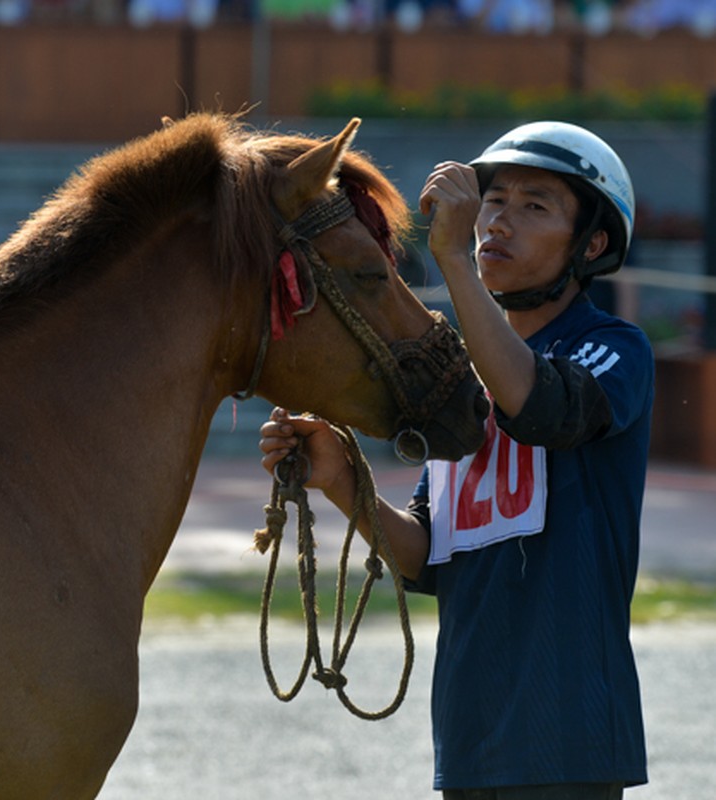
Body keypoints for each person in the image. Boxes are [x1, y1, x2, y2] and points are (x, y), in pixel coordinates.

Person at [260, 121, 652, 799]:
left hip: (571, 741)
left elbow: (539, 407)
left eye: (536, 206)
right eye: (494, 201)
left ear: (591, 245)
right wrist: (340, 479)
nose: (499, 220)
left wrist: (453, 264)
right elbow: (427, 557)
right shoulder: (465, 382)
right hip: (471, 743)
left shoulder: (615, 347)